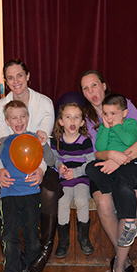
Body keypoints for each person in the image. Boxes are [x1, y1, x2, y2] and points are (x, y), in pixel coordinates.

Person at [80, 70, 137, 272]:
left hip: (130, 163)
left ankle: (119, 265)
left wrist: (122, 159)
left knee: (134, 202)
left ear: (103, 84)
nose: (91, 92)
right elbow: (97, 152)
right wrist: (111, 154)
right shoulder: (89, 116)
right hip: (105, 165)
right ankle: (124, 255)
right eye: (85, 88)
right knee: (104, 204)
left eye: (94, 85)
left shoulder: (124, 104)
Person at [0, 58, 57, 272]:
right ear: (6, 81)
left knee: (47, 193)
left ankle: (37, 260)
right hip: (10, 164)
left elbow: (43, 145)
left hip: (40, 163)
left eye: (20, 75)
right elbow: (4, 143)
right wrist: (0, 171)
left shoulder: (44, 102)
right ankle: (13, 261)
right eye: (10, 77)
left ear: (28, 76)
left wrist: (40, 171)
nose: (16, 81)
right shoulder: (1, 107)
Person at [0, 100, 44, 272]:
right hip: (9, 195)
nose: (19, 121)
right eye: (13, 118)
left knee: (31, 235)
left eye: (22, 116)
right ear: (7, 121)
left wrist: (44, 144)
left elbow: (52, 161)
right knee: (9, 238)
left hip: (31, 194)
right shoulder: (3, 141)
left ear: (27, 117)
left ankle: (29, 271)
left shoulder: (36, 139)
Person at [86, 93, 137, 248]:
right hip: (110, 164)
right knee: (91, 168)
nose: (109, 118)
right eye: (105, 114)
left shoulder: (130, 123)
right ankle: (111, 188)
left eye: (113, 114)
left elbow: (129, 140)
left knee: (124, 184)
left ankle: (130, 224)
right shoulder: (105, 126)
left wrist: (117, 126)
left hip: (129, 162)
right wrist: (104, 127)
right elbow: (101, 147)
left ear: (124, 113)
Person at [48, 101, 95, 258]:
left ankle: (84, 238)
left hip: (81, 178)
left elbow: (91, 162)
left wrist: (75, 172)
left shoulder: (85, 141)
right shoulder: (57, 140)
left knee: (82, 200)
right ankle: (63, 241)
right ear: (61, 121)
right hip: (65, 179)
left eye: (76, 117)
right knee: (62, 203)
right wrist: (59, 167)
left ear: (82, 122)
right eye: (68, 117)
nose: (72, 121)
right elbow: (54, 158)